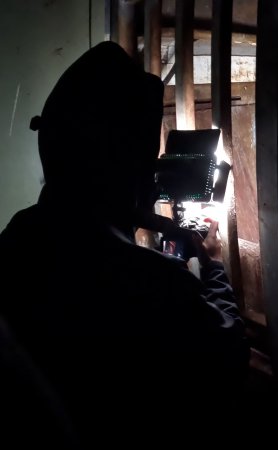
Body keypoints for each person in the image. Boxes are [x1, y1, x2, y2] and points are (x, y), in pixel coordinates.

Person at [0, 42, 249, 447]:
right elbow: (229, 352)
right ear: (127, 166)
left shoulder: (16, 236)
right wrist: (212, 263)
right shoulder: (154, 283)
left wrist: (129, 220)